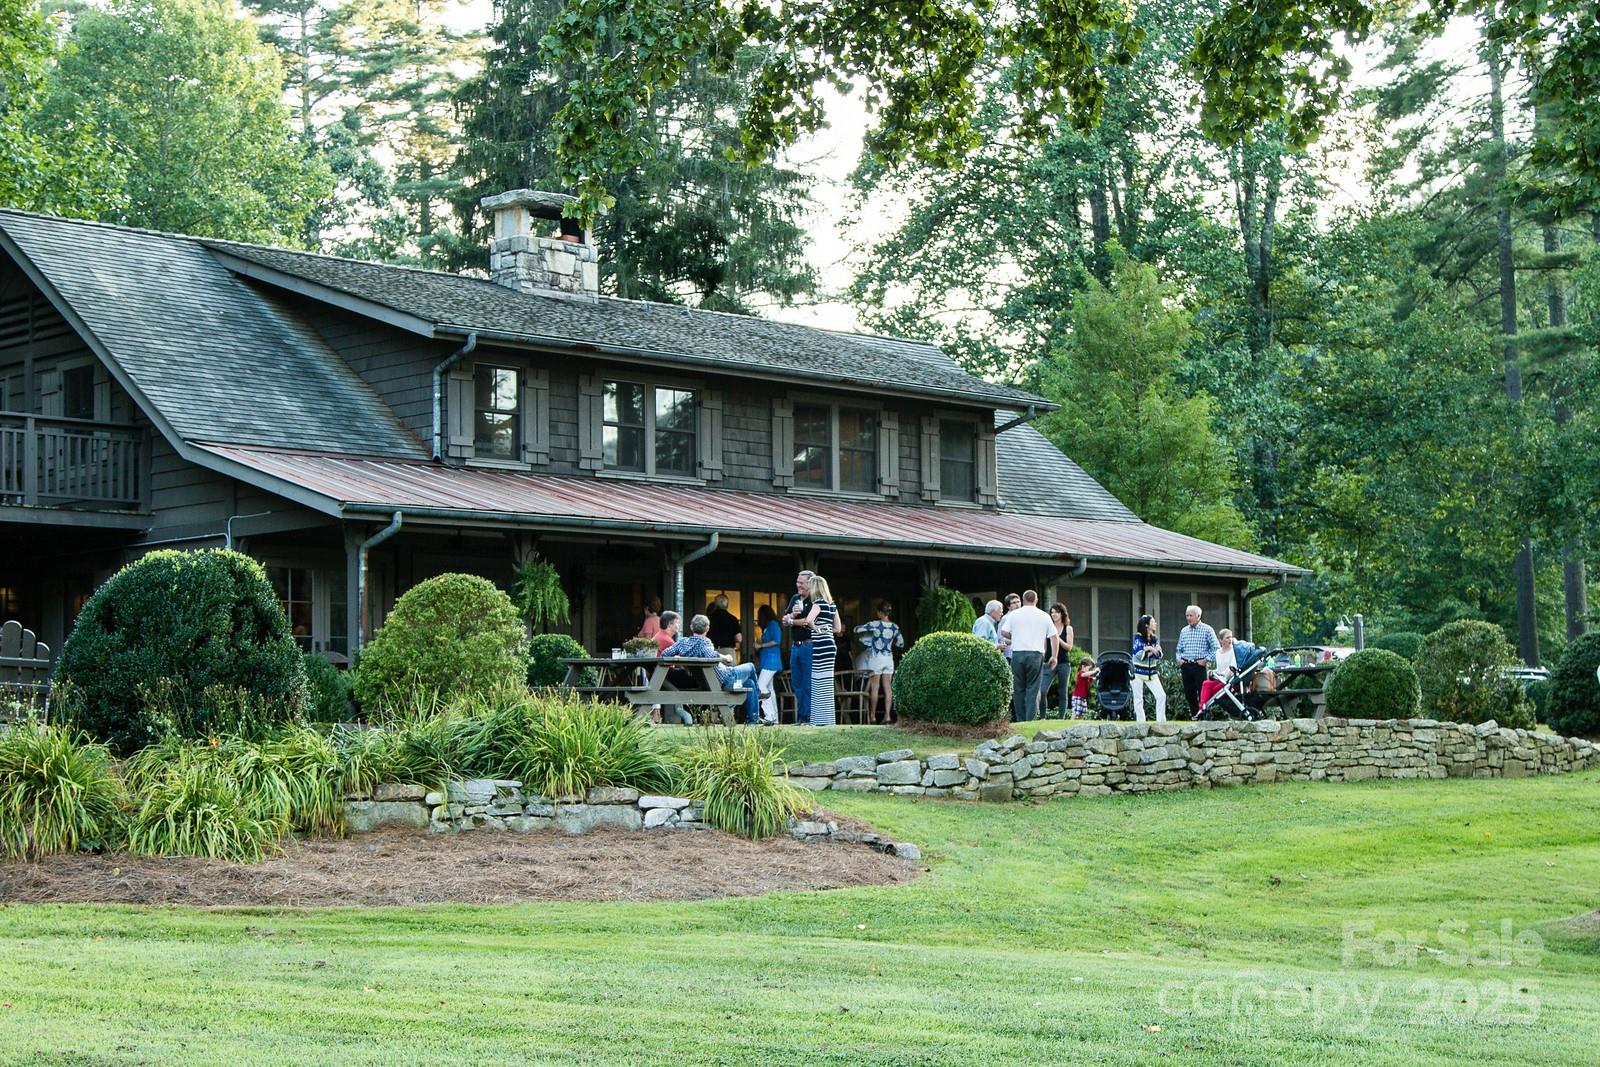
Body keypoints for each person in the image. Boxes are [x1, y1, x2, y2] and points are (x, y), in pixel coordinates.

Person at [661, 613, 760, 724]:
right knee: (751, 666)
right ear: (707, 629)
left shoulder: (682, 643)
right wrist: (725, 657)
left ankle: (753, 721)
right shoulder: (705, 642)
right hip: (726, 677)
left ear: (691, 627)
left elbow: (665, 653)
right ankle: (759, 696)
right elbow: (711, 656)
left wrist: (679, 657)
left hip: (710, 682)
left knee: (750, 683)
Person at [1000, 590, 1054, 723]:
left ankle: (1020, 719)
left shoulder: (1014, 615)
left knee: (1018, 688)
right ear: (1036, 600)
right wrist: (1055, 656)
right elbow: (1054, 637)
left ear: (1023, 600)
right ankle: (1030, 719)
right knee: (1033, 689)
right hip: (1036, 654)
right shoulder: (1044, 615)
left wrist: (1016, 636)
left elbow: (1004, 632)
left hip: (1018, 654)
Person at [794, 574, 838, 726]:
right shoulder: (832, 605)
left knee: (817, 681)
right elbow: (837, 628)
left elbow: (808, 621)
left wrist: (817, 630)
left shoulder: (818, 603)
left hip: (820, 646)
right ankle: (828, 720)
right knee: (827, 682)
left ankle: (818, 720)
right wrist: (825, 629)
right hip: (831, 645)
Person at [854, 601, 904, 724]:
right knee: (888, 688)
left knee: (875, 687)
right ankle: (887, 716)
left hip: (876, 657)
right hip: (888, 657)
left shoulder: (875, 624)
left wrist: (868, 635)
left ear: (880, 612)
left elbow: (856, 629)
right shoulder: (895, 627)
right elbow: (901, 643)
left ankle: (872, 716)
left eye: (878, 612)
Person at [780, 569, 814, 724]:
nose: (798, 585)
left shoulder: (815, 600)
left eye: (801, 582)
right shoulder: (795, 598)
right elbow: (784, 620)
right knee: (797, 683)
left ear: (810, 584)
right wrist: (792, 615)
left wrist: (792, 621)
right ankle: (802, 717)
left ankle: (807, 718)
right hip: (796, 647)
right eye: (797, 582)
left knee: (807, 684)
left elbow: (808, 621)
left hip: (808, 646)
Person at [1176, 604, 1220, 717]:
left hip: (1200, 665)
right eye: (1187, 615)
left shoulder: (1207, 629)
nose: (1188, 618)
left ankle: (1205, 714)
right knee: (1189, 693)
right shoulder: (1184, 631)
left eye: (1191, 615)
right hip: (1186, 665)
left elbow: (1216, 648)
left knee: (1203, 692)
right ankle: (1195, 715)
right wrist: (1179, 659)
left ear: (1198, 616)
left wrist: (1206, 660)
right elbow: (1179, 648)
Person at [651, 611, 690, 724]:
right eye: (677, 623)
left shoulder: (660, 636)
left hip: (658, 675)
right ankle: (690, 715)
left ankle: (687, 715)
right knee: (695, 680)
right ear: (669, 624)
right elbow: (680, 661)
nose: (679, 625)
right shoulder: (667, 640)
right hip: (665, 676)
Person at [1043, 603, 1076, 718]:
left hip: (1063, 664)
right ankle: (1042, 717)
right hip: (1048, 663)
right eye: (1052, 612)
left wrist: (1056, 638)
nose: (1054, 615)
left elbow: (1069, 647)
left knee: (1063, 692)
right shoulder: (1048, 627)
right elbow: (1045, 646)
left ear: (1062, 613)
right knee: (1042, 691)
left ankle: (1061, 718)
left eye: (1056, 612)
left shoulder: (1068, 628)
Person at [1132, 614, 1167, 723]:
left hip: (1151, 672)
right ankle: (1141, 723)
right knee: (1138, 699)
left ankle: (1161, 722)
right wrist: (1151, 650)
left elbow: (1159, 654)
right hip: (1137, 672)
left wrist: (1150, 649)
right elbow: (1138, 653)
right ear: (1147, 625)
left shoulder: (1154, 638)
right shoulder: (1137, 637)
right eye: (1153, 622)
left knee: (1161, 696)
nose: (1155, 624)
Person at [753, 604, 783, 725]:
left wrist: (760, 645)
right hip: (767, 660)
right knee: (769, 688)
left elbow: (777, 640)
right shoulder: (767, 626)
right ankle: (774, 718)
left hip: (771, 661)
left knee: (760, 686)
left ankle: (769, 716)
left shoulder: (773, 624)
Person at [707, 594, 742, 658]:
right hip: (728, 652)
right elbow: (739, 639)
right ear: (727, 605)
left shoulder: (709, 619)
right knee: (730, 668)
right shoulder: (733, 619)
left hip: (712, 651)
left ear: (715, 605)